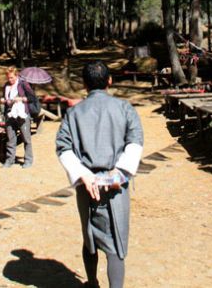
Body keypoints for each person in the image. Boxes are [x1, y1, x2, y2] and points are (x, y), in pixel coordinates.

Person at [56, 61, 144, 288]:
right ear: (110, 81)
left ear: (84, 84)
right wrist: (119, 173)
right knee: (116, 243)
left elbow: (63, 147)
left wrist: (83, 175)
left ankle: (92, 283)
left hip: (86, 185)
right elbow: (135, 142)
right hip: (116, 186)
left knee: (90, 238)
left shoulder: (73, 114)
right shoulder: (125, 109)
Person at [1, 67, 35, 169]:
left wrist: (22, 98)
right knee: (10, 138)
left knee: (26, 138)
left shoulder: (23, 84)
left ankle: (28, 160)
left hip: (21, 114)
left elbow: (32, 98)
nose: (10, 80)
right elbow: (6, 99)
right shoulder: (6, 86)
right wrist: (3, 100)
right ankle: (9, 160)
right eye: (8, 78)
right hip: (10, 114)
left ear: (17, 75)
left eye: (12, 78)